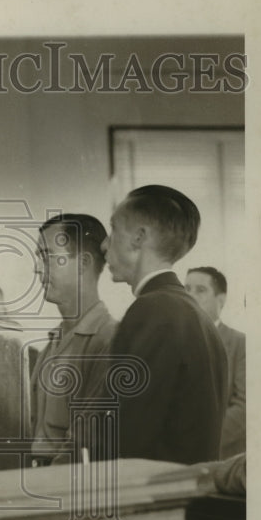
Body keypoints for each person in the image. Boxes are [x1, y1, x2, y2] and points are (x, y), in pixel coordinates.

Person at [101, 185, 227, 465]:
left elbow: (126, 437)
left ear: (139, 237)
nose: (104, 245)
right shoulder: (193, 312)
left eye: (113, 230)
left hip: (155, 498)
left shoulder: (152, 310)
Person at [30, 213, 117, 465]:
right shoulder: (53, 341)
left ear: (83, 263)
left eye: (46, 256)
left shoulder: (108, 339)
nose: (36, 267)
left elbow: (87, 442)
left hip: (65, 488)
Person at [185, 266, 246, 457]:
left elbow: (244, 407)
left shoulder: (240, 343)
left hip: (220, 459)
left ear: (221, 300)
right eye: (186, 289)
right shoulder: (173, 340)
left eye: (200, 290)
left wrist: (199, 441)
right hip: (172, 459)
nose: (190, 296)